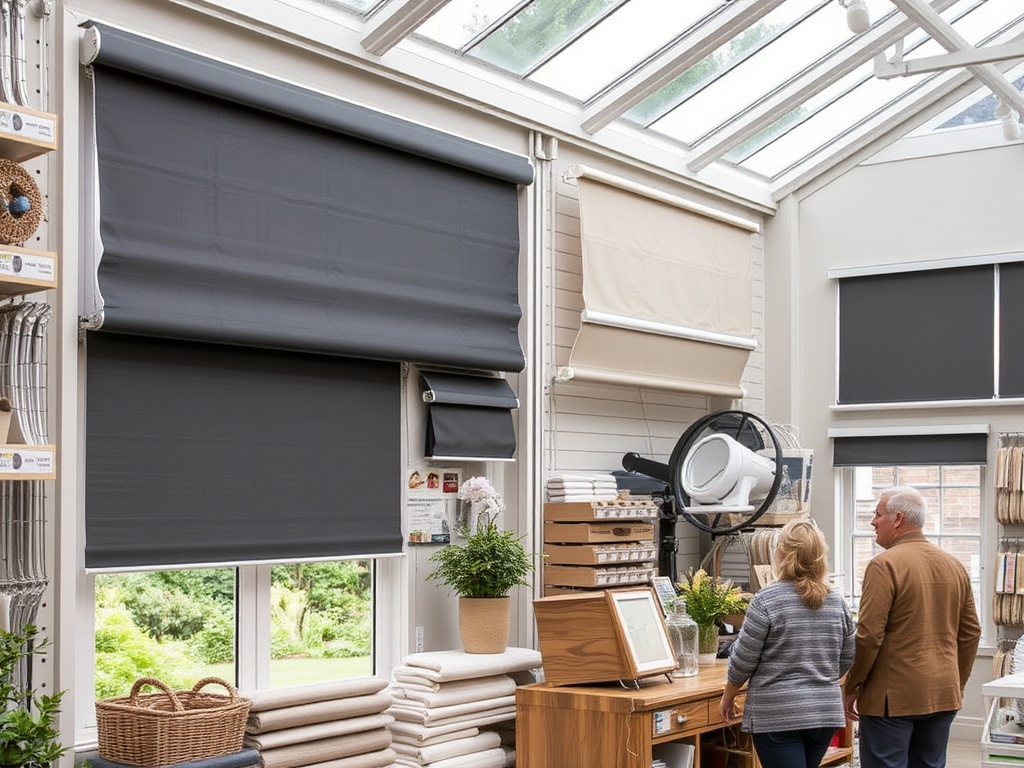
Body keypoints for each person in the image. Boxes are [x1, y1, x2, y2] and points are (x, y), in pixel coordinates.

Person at [843, 486, 981, 768]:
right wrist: (957, 682)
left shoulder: (883, 565)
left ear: (898, 519)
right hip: (943, 692)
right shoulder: (955, 565)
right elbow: (970, 633)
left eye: (877, 514)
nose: (872, 521)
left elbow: (869, 637)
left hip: (890, 700)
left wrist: (852, 684)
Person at [720, 519, 856, 768]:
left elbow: (743, 660)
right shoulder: (837, 602)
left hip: (778, 714)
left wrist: (728, 696)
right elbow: (847, 657)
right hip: (824, 712)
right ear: (820, 555)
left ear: (781, 554)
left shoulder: (766, 600)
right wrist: (817, 678)